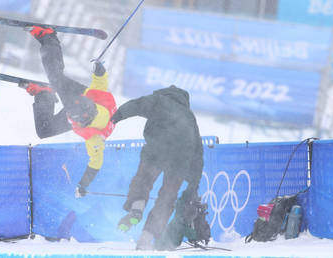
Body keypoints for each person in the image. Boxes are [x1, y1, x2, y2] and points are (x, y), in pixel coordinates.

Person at [22, 26, 116, 197]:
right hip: (80, 95)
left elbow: (96, 162)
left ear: (83, 122)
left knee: (44, 130)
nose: (76, 117)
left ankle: (45, 95)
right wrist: (99, 70)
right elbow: (100, 83)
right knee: (56, 78)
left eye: (78, 119)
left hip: (76, 109)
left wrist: (83, 185)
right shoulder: (101, 102)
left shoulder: (94, 138)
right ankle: (48, 37)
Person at [110, 85, 207, 250]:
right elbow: (198, 153)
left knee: (143, 179)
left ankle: (137, 206)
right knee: (167, 197)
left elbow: (137, 104)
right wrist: (194, 184)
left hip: (157, 150)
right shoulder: (189, 116)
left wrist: (116, 117)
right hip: (180, 160)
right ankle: (147, 236)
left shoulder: (160, 100)